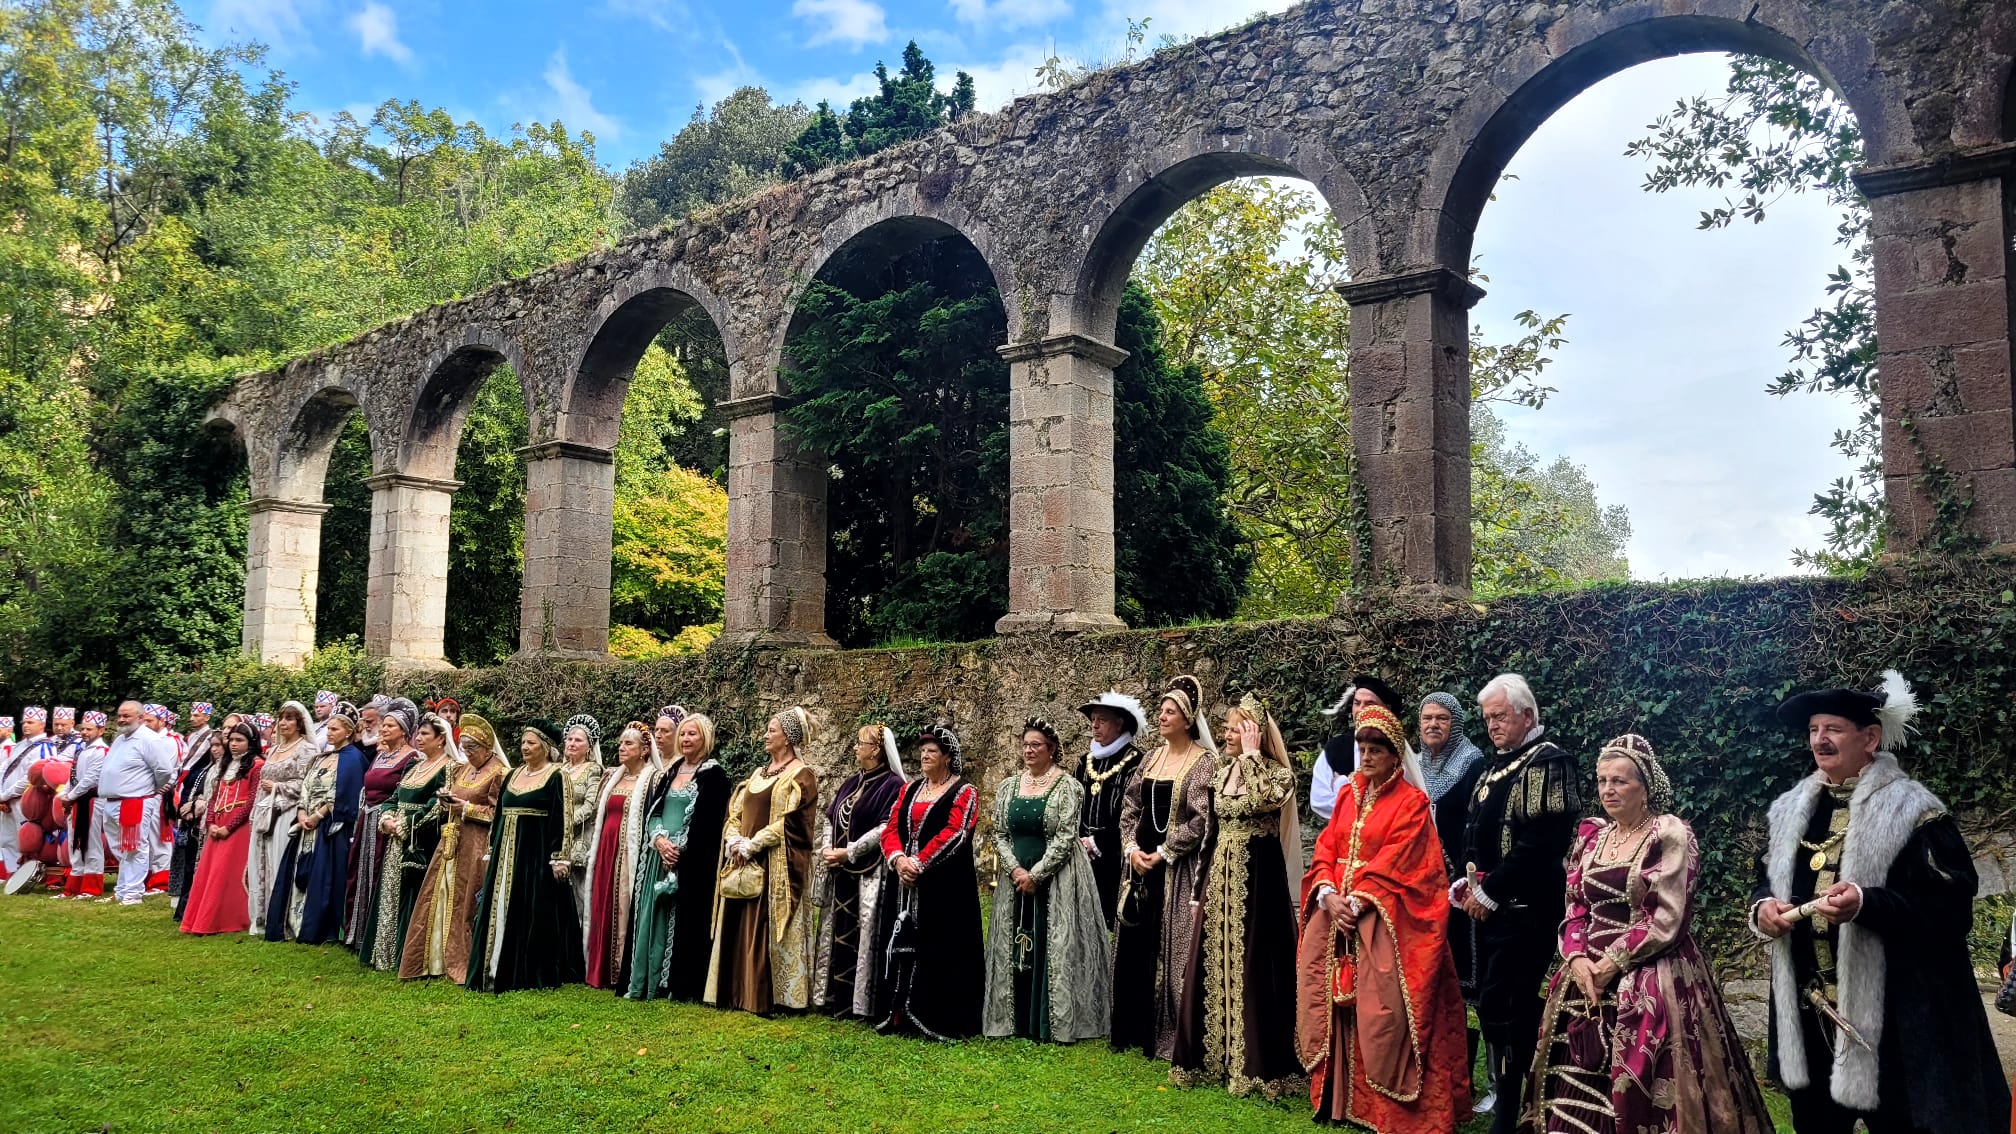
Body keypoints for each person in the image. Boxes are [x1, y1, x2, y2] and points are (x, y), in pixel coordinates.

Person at [1750, 671, 2010, 1133]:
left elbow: (1950, 913)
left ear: (1870, 737)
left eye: (1832, 729)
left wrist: (1868, 905)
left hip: (1895, 1022)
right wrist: (1764, 907)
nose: (1819, 739)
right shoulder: (1791, 812)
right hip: (1812, 1020)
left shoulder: (1915, 811)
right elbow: (1763, 881)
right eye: (1813, 730)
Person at [1527, 734, 1770, 1134]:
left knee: (1645, 1083)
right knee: (1574, 1069)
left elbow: (1667, 918)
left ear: (1645, 787)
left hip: (1650, 975)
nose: (1608, 789)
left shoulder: (1669, 834)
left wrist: (1612, 964)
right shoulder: (1592, 836)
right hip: (1584, 974)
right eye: (1603, 780)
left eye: (1620, 781)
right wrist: (1577, 958)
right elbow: (1575, 906)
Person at [1297, 703, 1471, 1130]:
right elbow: (1326, 849)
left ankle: (1385, 1107)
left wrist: (1357, 900)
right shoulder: (1346, 794)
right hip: (1337, 915)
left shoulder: (1412, 803)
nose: (1368, 755)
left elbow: (1406, 865)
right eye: (1363, 746)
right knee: (1335, 1002)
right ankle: (1340, 1100)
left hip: (1384, 922)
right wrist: (1326, 891)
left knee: (1384, 1013)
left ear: (1396, 754)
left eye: (1378, 747)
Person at [1458, 673, 1579, 1134]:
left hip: (1527, 910)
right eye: (1488, 718)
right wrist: (1466, 886)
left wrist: (1492, 891)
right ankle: (1514, 1102)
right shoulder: (1496, 765)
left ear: (1527, 715)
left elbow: (1541, 843)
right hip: (1490, 909)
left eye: (1500, 716)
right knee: (1494, 1004)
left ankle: (1512, 1112)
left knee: (1507, 1003)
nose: (1492, 725)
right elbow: (1476, 837)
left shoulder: (1549, 762)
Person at [1171, 693, 1303, 1096]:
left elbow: (1267, 799)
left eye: (1237, 728)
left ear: (1256, 733)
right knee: (1212, 963)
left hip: (1259, 884)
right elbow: (1210, 834)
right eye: (1227, 728)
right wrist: (1198, 891)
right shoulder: (1221, 771)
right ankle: (1215, 1057)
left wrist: (1250, 756)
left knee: (1254, 963)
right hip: (1219, 879)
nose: (1228, 734)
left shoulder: (1276, 774)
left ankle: (1258, 1064)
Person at [983, 717, 1110, 1042]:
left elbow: (1066, 836)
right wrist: (1014, 870)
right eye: (1025, 744)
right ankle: (1016, 1019)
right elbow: (999, 833)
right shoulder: (1008, 786)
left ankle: (1051, 1021)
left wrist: (1037, 875)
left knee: (1053, 942)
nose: (1029, 750)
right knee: (1015, 941)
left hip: (1057, 877)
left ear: (1051, 749)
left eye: (1036, 745)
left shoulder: (1068, 786)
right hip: (1015, 877)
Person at [1110, 674, 1216, 1060]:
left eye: (1171, 711)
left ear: (1188, 720)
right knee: (1135, 943)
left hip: (1175, 869)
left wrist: (1166, 850)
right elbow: (1130, 808)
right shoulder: (1151, 757)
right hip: (1140, 865)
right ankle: (1131, 1028)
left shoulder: (1203, 763)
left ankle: (1168, 1032)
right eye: (1161, 710)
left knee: (1173, 948)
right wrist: (1131, 849)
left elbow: (1203, 818)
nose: (1162, 716)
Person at [707, 706, 821, 1015]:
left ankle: (769, 996)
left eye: (772, 730)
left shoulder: (801, 775)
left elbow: (793, 823)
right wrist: (734, 840)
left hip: (774, 866)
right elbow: (736, 813)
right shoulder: (758, 774)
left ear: (787, 738)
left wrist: (753, 844)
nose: (766, 735)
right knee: (740, 921)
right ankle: (735, 991)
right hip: (743, 860)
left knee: (764, 927)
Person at [873, 723, 982, 1039]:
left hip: (944, 886)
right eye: (922, 751)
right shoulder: (909, 790)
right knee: (901, 941)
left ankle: (934, 1014)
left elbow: (956, 832)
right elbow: (891, 828)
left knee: (938, 944)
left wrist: (919, 863)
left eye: (931, 751)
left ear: (947, 756)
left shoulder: (964, 792)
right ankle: (898, 1011)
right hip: (903, 883)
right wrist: (897, 859)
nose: (924, 756)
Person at [466, 719, 584, 993]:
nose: (525, 747)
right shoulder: (512, 774)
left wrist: (559, 857)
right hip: (505, 854)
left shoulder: (557, 776)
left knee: (531, 909)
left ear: (545, 746)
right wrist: (492, 849)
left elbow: (562, 817)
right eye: (522, 742)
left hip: (535, 856)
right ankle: (493, 966)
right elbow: (498, 815)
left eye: (531, 743)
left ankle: (526, 971)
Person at [1415, 691, 1489, 1107]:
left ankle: (1464, 1074)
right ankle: (1432, 1070)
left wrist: (1461, 870)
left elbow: (1476, 824)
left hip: (1459, 882)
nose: (1432, 725)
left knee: (1464, 981)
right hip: (1421, 883)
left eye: (1441, 719)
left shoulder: (1473, 763)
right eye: (1427, 718)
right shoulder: (1415, 764)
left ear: (1455, 723)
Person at [627, 712, 731, 1002]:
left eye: (692, 734)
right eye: (683, 734)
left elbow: (709, 825)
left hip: (691, 862)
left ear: (705, 738)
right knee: (652, 916)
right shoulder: (671, 772)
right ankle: (646, 979)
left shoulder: (714, 776)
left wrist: (678, 850)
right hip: (658, 856)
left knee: (682, 922)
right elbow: (654, 811)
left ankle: (675, 982)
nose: (685, 739)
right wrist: (659, 840)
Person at [400, 712, 507, 983]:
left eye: (473, 748)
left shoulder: (499, 773)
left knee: (467, 899)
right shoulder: (462, 769)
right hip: (451, 840)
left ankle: (463, 959)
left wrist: (468, 808)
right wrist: (447, 802)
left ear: (486, 748)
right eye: (465, 748)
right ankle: (432, 958)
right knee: (438, 894)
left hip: (477, 843)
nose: (468, 753)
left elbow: (499, 814)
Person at [813, 723, 907, 1017]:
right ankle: (832, 998)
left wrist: (849, 852)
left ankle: (857, 1003)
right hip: (840, 872)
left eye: (860, 743)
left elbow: (885, 828)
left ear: (876, 750)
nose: (855, 747)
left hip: (868, 872)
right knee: (835, 928)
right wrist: (829, 850)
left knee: (862, 929)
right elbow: (830, 817)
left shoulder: (892, 786)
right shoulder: (851, 782)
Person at [267, 703, 368, 944]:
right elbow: (306, 786)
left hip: (329, 829)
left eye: (335, 729)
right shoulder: (322, 757)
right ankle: (292, 923)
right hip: (306, 824)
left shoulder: (354, 759)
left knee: (325, 877)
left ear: (348, 732)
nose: (329, 733)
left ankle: (318, 927)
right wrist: (302, 811)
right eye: (329, 728)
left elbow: (344, 794)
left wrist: (318, 815)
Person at [583, 722, 662, 992]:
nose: (621, 747)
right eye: (620, 743)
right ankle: (598, 968)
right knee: (602, 902)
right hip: (606, 848)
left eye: (628, 744)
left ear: (643, 751)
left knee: (624, 904)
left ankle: (619, 969)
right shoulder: (612, 777)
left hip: (629, 850)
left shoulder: (652, 778)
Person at [377, 712, 456, 964]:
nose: (419, 738)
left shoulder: (449, 768)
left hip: (422, 840)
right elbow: (393, 798)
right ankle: (386, 951)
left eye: (425, 734)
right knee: (392, 891)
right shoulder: (413, 766)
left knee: (416, 893)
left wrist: (406, 825)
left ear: (441, 739)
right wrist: (387, 818)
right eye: (418, 733)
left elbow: (436, 805)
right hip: (397, 837)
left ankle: (409, 954)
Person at [349, 697, 420, 964]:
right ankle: (359, 934)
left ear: (403, 731)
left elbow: (402, 792)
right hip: (367, 819)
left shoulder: (410, 757)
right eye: (384, 724)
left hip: (387, 820)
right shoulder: (380, 755)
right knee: (362, 873)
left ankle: (377, 934)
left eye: (390, 725)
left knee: (379, 872)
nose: (384, 729)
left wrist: (388, 817)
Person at [180, 721, 263, 935]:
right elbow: (214, 796)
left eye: (239, 740)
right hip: (218, 821)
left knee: (226, 872)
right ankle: (200, 917)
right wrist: (211, 823)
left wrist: (229, 826)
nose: (233, 744)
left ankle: (227, 919)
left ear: (251, 742)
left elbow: (251, 801)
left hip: (238, 825)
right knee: (209, 872)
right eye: (231, 740)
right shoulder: (226, 764)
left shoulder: (256, 765)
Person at [92, 701, 178, 905]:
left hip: (135, 802)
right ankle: (122, 889)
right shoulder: (120, 739)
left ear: (140, 717)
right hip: (112, 801)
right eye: (120, 715)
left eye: (127, 716)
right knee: (121, 849)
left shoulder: (149, 739)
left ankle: (133, 893)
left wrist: (152, 788)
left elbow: (165, 770)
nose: (122, 720)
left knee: (135, 847)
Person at [1077, 691, 1149, 928]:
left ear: (1119, 724)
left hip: (1117, 855)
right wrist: (1079, 841)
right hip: (1081, 853)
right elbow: (1074, 805)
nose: (1094, 726)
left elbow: (1134, 813)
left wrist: (1098, 842)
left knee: (1112, 920)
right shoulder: (1084, 762)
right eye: (1093, 720)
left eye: (1102, 720)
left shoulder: (1136, 762)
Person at [246, 701, 317, 933]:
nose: (284, 723)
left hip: (287, 812)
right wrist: (255, 812)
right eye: (281, 718)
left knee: (279, 863)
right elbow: (261, 785)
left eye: (289, 719)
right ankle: (263, 917)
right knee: (261, 863)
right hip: (265, 812)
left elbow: (308, 783)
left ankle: (283, 918)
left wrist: (278, 786)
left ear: (300, 723)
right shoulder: (275, 749)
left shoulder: (306, 749)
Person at [1311, 675, 1405, 824]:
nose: (1361, 710)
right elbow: (1319, 800)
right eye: (1356, 703)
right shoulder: (1335, 748)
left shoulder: (1395, 748)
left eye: (1369, 703)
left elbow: (1398, 800)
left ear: (1385, 709)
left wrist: (1340, 786)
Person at [560, 714, 606, 944]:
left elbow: (590, 805)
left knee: (579, 893)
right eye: (569, 739)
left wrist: (566, 822)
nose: (571, 744)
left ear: (589, 746)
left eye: (578, 740)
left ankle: (582, 947)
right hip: (557, 838)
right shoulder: (559, 770)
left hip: (580, 836)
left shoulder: (592, 770)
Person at [167, 726, 219, 922]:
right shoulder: (204, 768)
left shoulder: (223, 770)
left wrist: (199, 804)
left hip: (208, 823)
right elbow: (194, 789)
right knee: (189, 868)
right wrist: (188, 805)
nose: (214, 749)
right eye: (212, 745)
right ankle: (184, 910)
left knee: (199, 868)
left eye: (218, 745)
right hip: (192, 824)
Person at [57, 710, 108, 898]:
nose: (84, 732)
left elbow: (90, 779)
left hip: (91, 801)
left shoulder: (101, 751)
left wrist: (70, 796)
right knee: (75, 842)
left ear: (101, 730)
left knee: (91, 843)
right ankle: (74, 885)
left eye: (89, 728)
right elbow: (74, 777)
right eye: (83, 728)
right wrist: (65, 793)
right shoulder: (82, 749)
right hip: (78, 800)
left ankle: (91, 887)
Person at [1, 707, 54, 883]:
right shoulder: (21, 745)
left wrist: (6, 794)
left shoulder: (44, 746)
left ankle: (30, 876)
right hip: (8, 799)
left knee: (27, 840)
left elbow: (32, 777)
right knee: (8, 838)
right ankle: (13, 875)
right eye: (24, 722)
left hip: (27, 801)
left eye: (30, 722)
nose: (25, 726)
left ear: (41, 724)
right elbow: (5, 769)